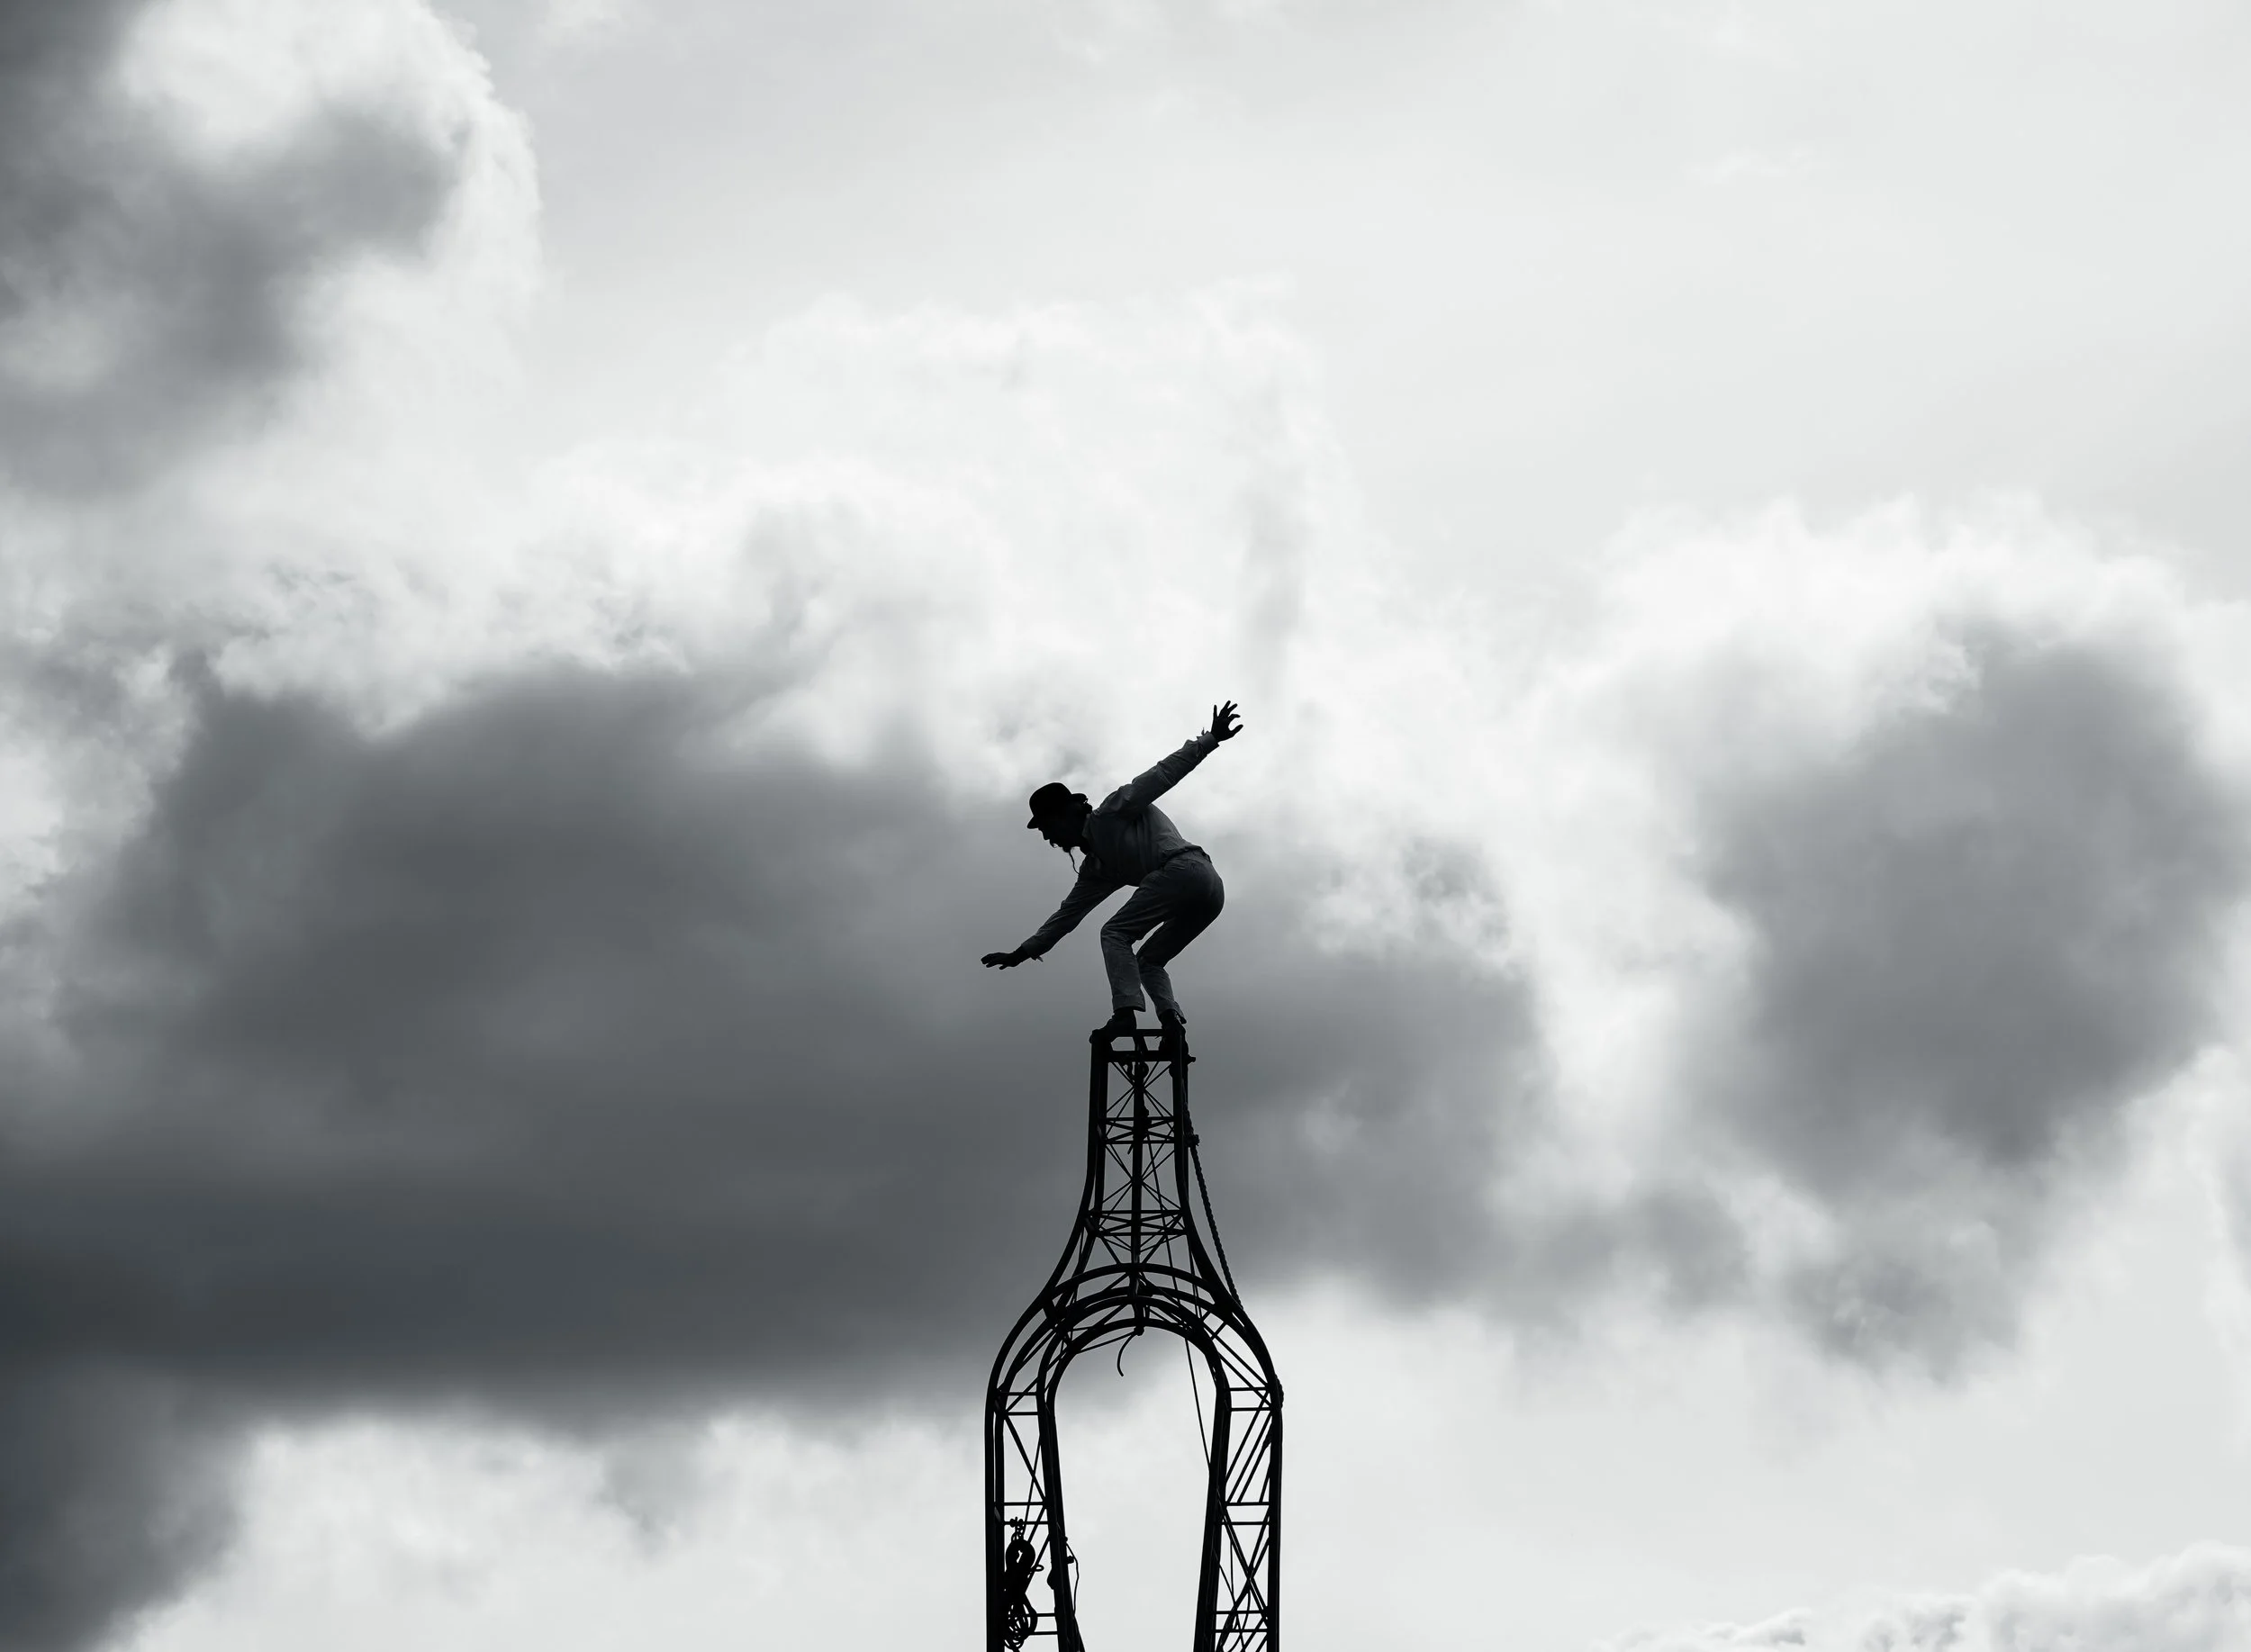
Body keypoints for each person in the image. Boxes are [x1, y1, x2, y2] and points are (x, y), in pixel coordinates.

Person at [982, 701, 1241, 1050]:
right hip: (1209, 891)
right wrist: (1023, 952)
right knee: (1149, 961)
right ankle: (1172, 1023)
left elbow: (1161, 775)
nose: (1048, 837)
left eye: (1047, 827)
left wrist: (1210, 740)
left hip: (1185, 868)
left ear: (1069, 813)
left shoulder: (1111, 814)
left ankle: (1125, 1014)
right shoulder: (1097, 870)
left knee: (1114, 932)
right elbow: (1066, 916)